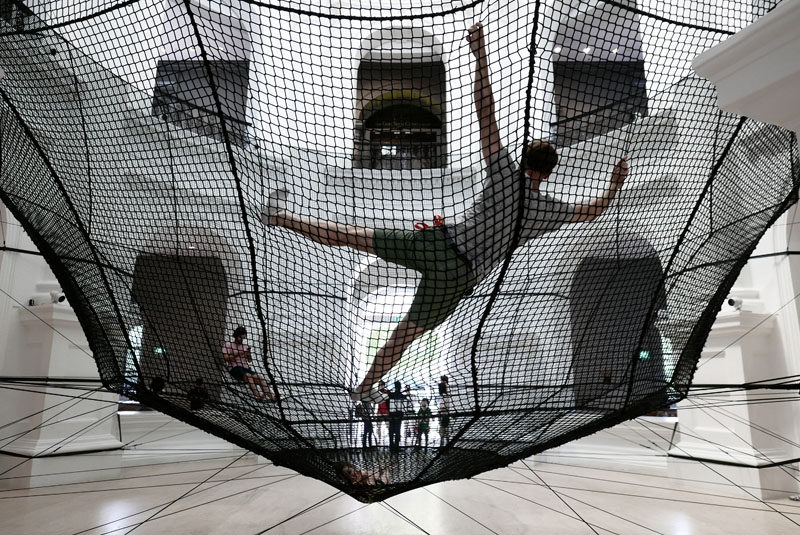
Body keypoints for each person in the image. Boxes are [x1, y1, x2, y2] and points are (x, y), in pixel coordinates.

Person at [261, 22, 629, 402]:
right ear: (550, 172)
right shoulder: (546, 210)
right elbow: (592, 212)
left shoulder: (505, 173)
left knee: (352, 237)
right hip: (459, 276)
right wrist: (615, 184)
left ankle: (281, 218)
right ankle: (364, 388)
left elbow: (485, 112)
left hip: (439, 243)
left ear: (523, 160)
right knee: (404, 333)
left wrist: (480, 54)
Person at [221, 326, 276, 401]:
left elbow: (249, 361)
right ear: (236, 336)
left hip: (245, 368)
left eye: (243, 338)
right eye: (240, 337)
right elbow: (226, 358)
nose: (241, 339)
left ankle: (271, 397)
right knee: (248, 376)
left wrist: (248, 354)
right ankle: (257, 396)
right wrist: (241, 353)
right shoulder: (228, 345)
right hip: (235, 368)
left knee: (260, 378)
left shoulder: (245, 346)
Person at [387, 381, 406, 451]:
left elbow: (387, 403)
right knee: (397, 431)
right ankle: (396, 446)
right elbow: (404, 407)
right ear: (400, 387)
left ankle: (391, 446)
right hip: (398, 416)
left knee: (391, 431)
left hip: (391, 415)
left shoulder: (390, 395)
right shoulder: (402, 396)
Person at [438, 376, 451, 446]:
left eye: (442, 381)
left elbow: (444, 406)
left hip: (444, 414)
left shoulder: (446, 394)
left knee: (445, 430)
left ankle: (445, 446)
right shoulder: (443, 394)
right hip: (443, 414)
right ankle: (442, 445)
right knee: (443, 430)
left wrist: (440, 411)